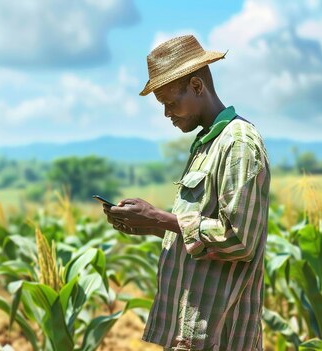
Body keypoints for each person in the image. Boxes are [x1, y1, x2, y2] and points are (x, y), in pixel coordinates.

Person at [103, 35, 270, 351]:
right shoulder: (208, 143)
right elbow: (197, 229)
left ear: (197, 87)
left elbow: (238, 239)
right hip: (192, 334)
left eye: (170, 102)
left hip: (219, 336)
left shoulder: (236, 145)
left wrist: (161, 218)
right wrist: (151, 224)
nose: (167, 113)